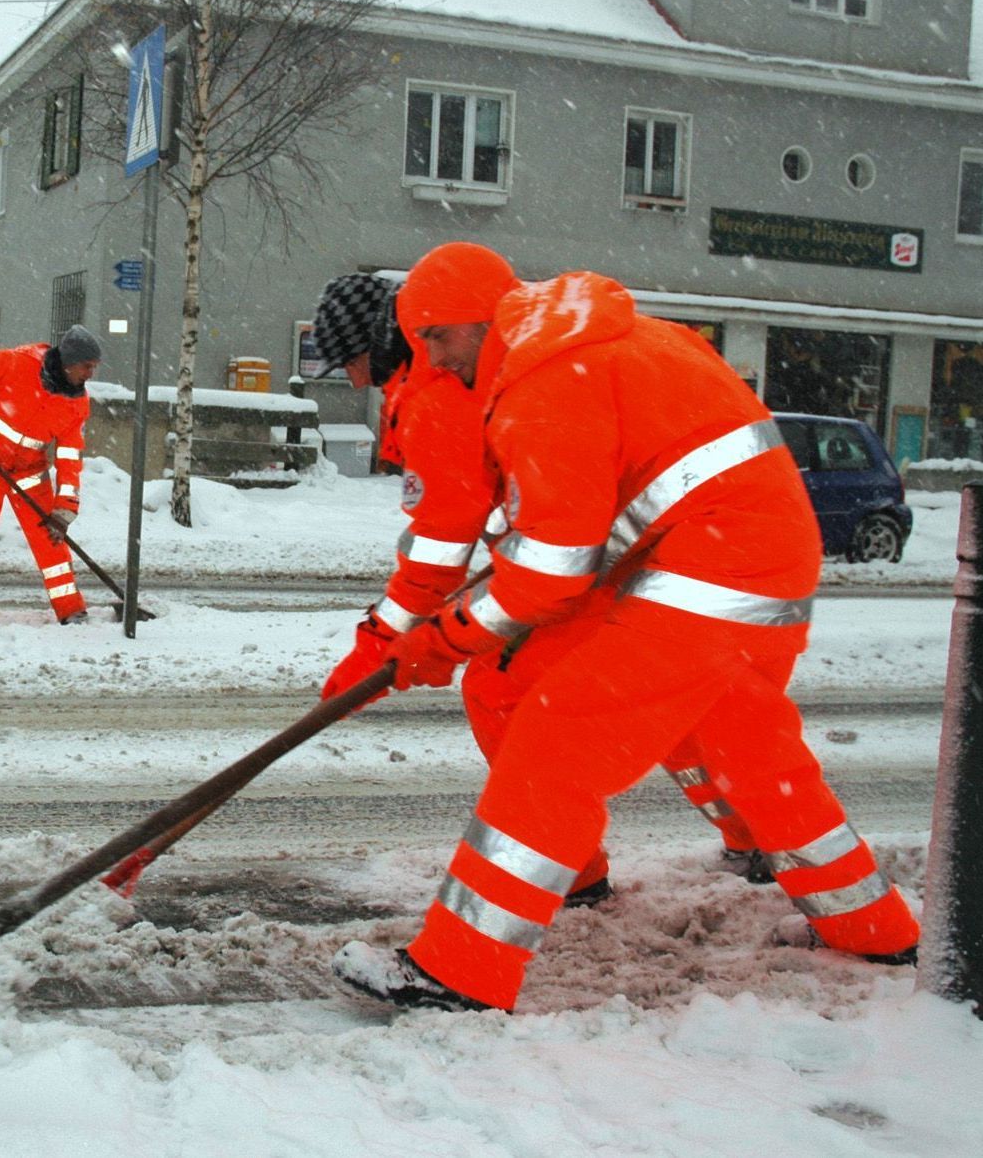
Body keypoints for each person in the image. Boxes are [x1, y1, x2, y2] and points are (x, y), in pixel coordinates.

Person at [332, 242, 919, 1014]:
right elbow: (579, 527)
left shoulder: (544, 378)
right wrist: (440, 632)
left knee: (560, 735)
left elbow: (550, 572)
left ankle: (460, 971)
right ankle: (875, 928)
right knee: (749, 750)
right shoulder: (593, 341)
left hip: (711, 569)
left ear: (477, 320)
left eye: (438, 339)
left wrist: (444, 639)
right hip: (734, 558)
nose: (433, 361)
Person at [312, 258, 769, 908]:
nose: (355, 380)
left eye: (349, 363)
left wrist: (378, 646)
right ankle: (757, 830)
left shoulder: (435, 394)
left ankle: (574, 873)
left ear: (373, 347)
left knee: (500, 689)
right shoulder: (479, 352)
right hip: (652, 541)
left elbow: (440, 547)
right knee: (679, 701)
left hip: (616, 553)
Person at [0, 324, 100, 625]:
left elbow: (69, 457)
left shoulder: (77, 404)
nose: (91, 374)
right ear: (69, 362)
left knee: (51, 543)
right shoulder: (19, 362)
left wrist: (65, 508)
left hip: (30, 475)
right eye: (87, 366)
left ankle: (71, 610)